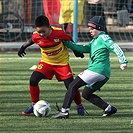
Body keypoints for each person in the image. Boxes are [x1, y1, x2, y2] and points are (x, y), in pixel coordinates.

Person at [52, 16, 128, 119]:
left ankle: (64, 111)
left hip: (97, 70)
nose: (90, 31)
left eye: (92, 28)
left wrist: (123, 61)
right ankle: (109, 109)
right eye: (89, 28)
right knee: (86, 94)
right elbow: (82, 48)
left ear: (99, 28)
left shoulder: (103, 38)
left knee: (72, 86)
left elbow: (115, 47)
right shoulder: (95, 41)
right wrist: (67, 42)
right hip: (104, 74)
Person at [18, 15, 85, 116]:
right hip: (46, 63)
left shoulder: (59, 33)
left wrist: (76, 51)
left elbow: (69, 40)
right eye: (39, 32)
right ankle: (34, 104)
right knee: (33, 80)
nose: (41, 34)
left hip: (62, 64)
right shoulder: (36, 35)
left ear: (49, 27)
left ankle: (79, 105)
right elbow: (31, 40)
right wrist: (23, 47)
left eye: (43, 31)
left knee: (71, 86)